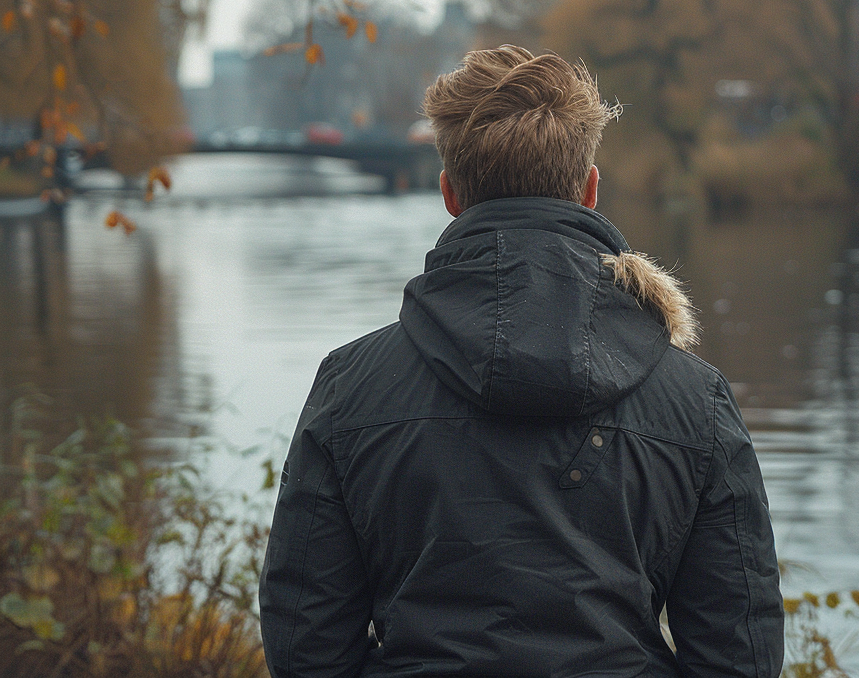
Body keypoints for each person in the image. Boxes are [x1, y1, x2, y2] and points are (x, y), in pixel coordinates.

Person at [259, 46, 784, 678]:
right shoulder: (695, 401)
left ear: (450, 193)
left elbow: (305, 645)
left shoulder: (351, 387)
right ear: (589, 190)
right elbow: (741, 656)